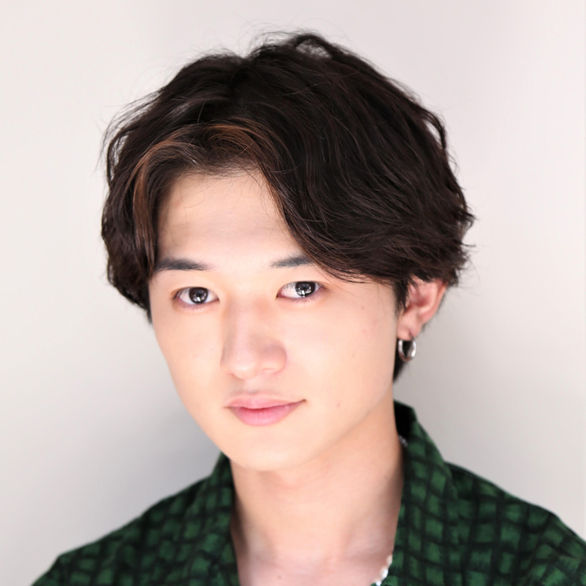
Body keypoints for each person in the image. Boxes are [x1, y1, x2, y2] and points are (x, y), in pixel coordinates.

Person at [33, 32, 585, 586]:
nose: (244, 358)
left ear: (416, 295)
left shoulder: (544, 572)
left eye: (300, 288)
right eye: (197, 295)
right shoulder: (92, 580)